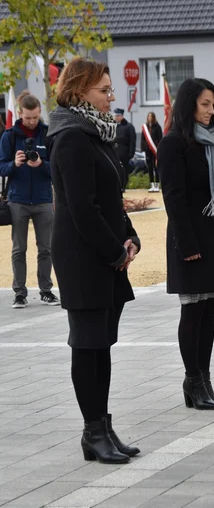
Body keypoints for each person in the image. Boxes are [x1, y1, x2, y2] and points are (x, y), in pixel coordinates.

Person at [47, 57, 141, 464]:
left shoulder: (94, 133)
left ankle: (103, 424)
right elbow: (82, 209)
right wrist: (114, 250)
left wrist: (130, 236)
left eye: (110, 90)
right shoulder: (71, 136)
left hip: (103, 254)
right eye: (103, 90)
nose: (110, 97)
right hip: (83, 258)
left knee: (101, 345)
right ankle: (92, 432)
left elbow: (110, 199)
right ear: (78, 90)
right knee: (87, 346)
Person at [158, 78, 214, 411]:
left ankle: (204, 380)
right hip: (190, 238)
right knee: (192, 311)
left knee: (210, 312)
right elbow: (173, 199)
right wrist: (186, 244)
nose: (211, 111)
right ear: (189, 104)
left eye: (212, 104)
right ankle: (193, 381)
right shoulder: (173, 144)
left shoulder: (212, 140)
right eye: (205, 104)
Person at [0, 91, 59, 309]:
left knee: (46, 248)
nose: (32, 121)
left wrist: (41, 165)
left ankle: (46, 290)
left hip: (43, 199)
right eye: (27, 118)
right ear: (19, 113)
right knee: (19, 249)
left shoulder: (48, 134)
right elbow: (0, 166)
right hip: (18, 201)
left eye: (35, 117)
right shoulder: (9, 136)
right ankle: (19, 293)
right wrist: (13, 164)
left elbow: (58, 168)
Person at [112, 107, 136, 189]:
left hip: (124, 153)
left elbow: (132, 141)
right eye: (115, 116)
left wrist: (131, 153)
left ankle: (123, 186)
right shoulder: (112, 126)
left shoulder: (129, 126)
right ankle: (117, 186)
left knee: (124, 170)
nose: (116, 117)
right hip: (114, 152)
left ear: (122, 116)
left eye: (118, 116)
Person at [141, 112, 162, 192]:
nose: (149, 117)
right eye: (148, 116)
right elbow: (142, 139)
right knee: (149, 167)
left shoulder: (157, 127)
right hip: (147, 150)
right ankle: (152, 184)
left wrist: (159, 149)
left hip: (155, 150)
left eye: (151, 116)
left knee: (156, 167)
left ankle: (157, 185)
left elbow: (160, 138)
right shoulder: (145, 127)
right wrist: (143, 150)